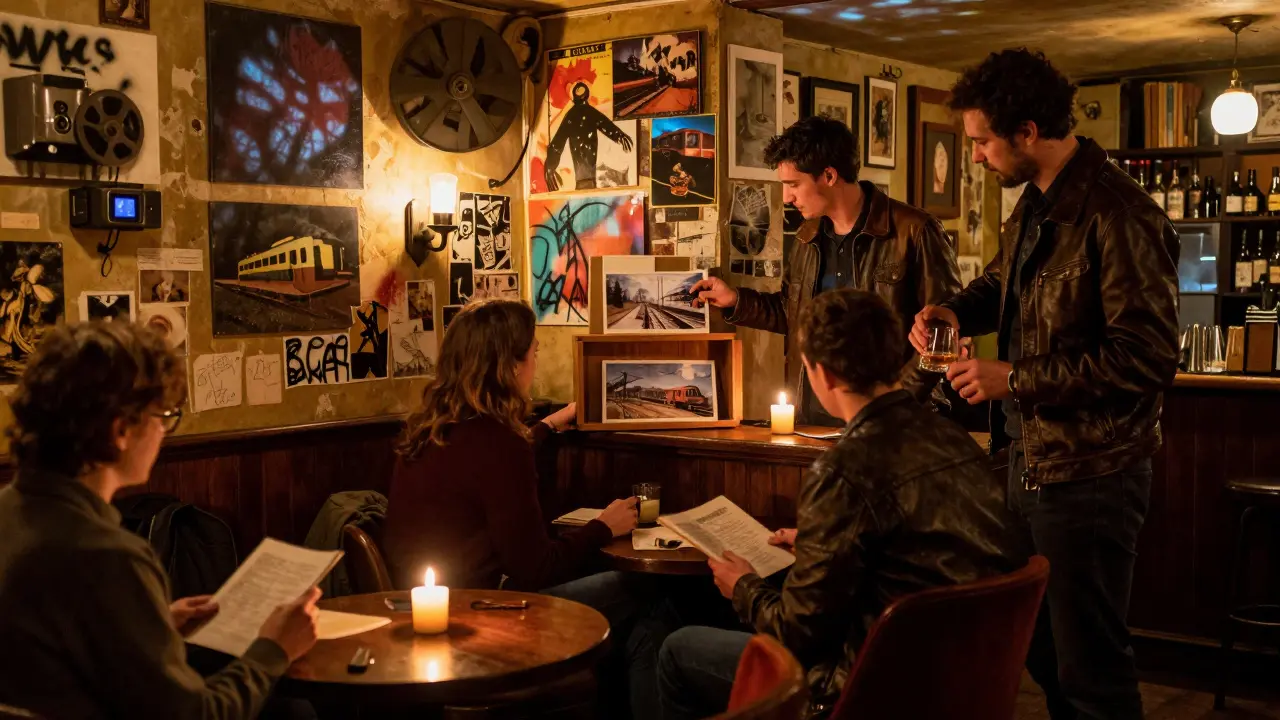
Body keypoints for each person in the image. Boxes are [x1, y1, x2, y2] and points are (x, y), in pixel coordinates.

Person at [910, 48, 1179, 720]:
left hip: (1091, 474)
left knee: (1091, 667)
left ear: (1026, 132)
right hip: (1027, 461)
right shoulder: (1036, 202)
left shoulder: (1121, 214)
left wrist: (1015, 379)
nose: (974, 157)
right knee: (1034, 644)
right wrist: (954, 309)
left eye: (980, 142)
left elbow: (1146, 359)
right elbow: (1007, 280)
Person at [657, 289, 1020, 719]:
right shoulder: (953, 440)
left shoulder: (841, 470)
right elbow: (910, 548)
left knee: (677, 651)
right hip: (952, 680)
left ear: (822, 374)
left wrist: (743, 587)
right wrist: (819, 543)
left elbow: (796, 635)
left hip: (861, 688)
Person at [0, 321, 321, 719]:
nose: (164, 431)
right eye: (163, 415)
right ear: (121, 430)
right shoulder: (109, 556)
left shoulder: (10, 514)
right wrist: (274, 648)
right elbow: (197, 715)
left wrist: (156, 625)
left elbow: (53, 653)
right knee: (296, 712)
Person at [383, 298, 663, 719]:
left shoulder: (429, 429)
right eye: (533, 350)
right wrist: (603, 527)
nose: (537, 357)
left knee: (640, 630)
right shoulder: (499, 443)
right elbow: (535, 569)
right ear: (510, 365)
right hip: (485, 618)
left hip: (429, 613)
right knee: (649, 596)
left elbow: (480, 471)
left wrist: (546, 428)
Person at [691, 115, 961, 426]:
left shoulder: (915, 230)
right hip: (815, 419)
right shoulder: (807, 236)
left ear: (829, 175)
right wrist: (735, 301)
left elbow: (944, 333)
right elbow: (793, 313)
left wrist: (897, 400)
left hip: (899, 423)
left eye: (793, 184)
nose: (787, 197)